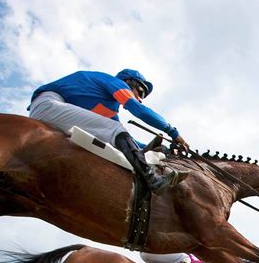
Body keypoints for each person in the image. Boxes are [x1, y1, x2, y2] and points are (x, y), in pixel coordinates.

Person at [28, 69, 190, 194]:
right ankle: (152, 179)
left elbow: (121, 138)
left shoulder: (108, 106)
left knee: (115, 134)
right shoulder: (114, 82)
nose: (140, 98)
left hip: (54, 114)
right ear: (128, 81)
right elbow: (139, 110)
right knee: (115, 130)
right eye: (140, 91)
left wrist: (159, 149)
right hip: (49, 104)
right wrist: (173, 133)